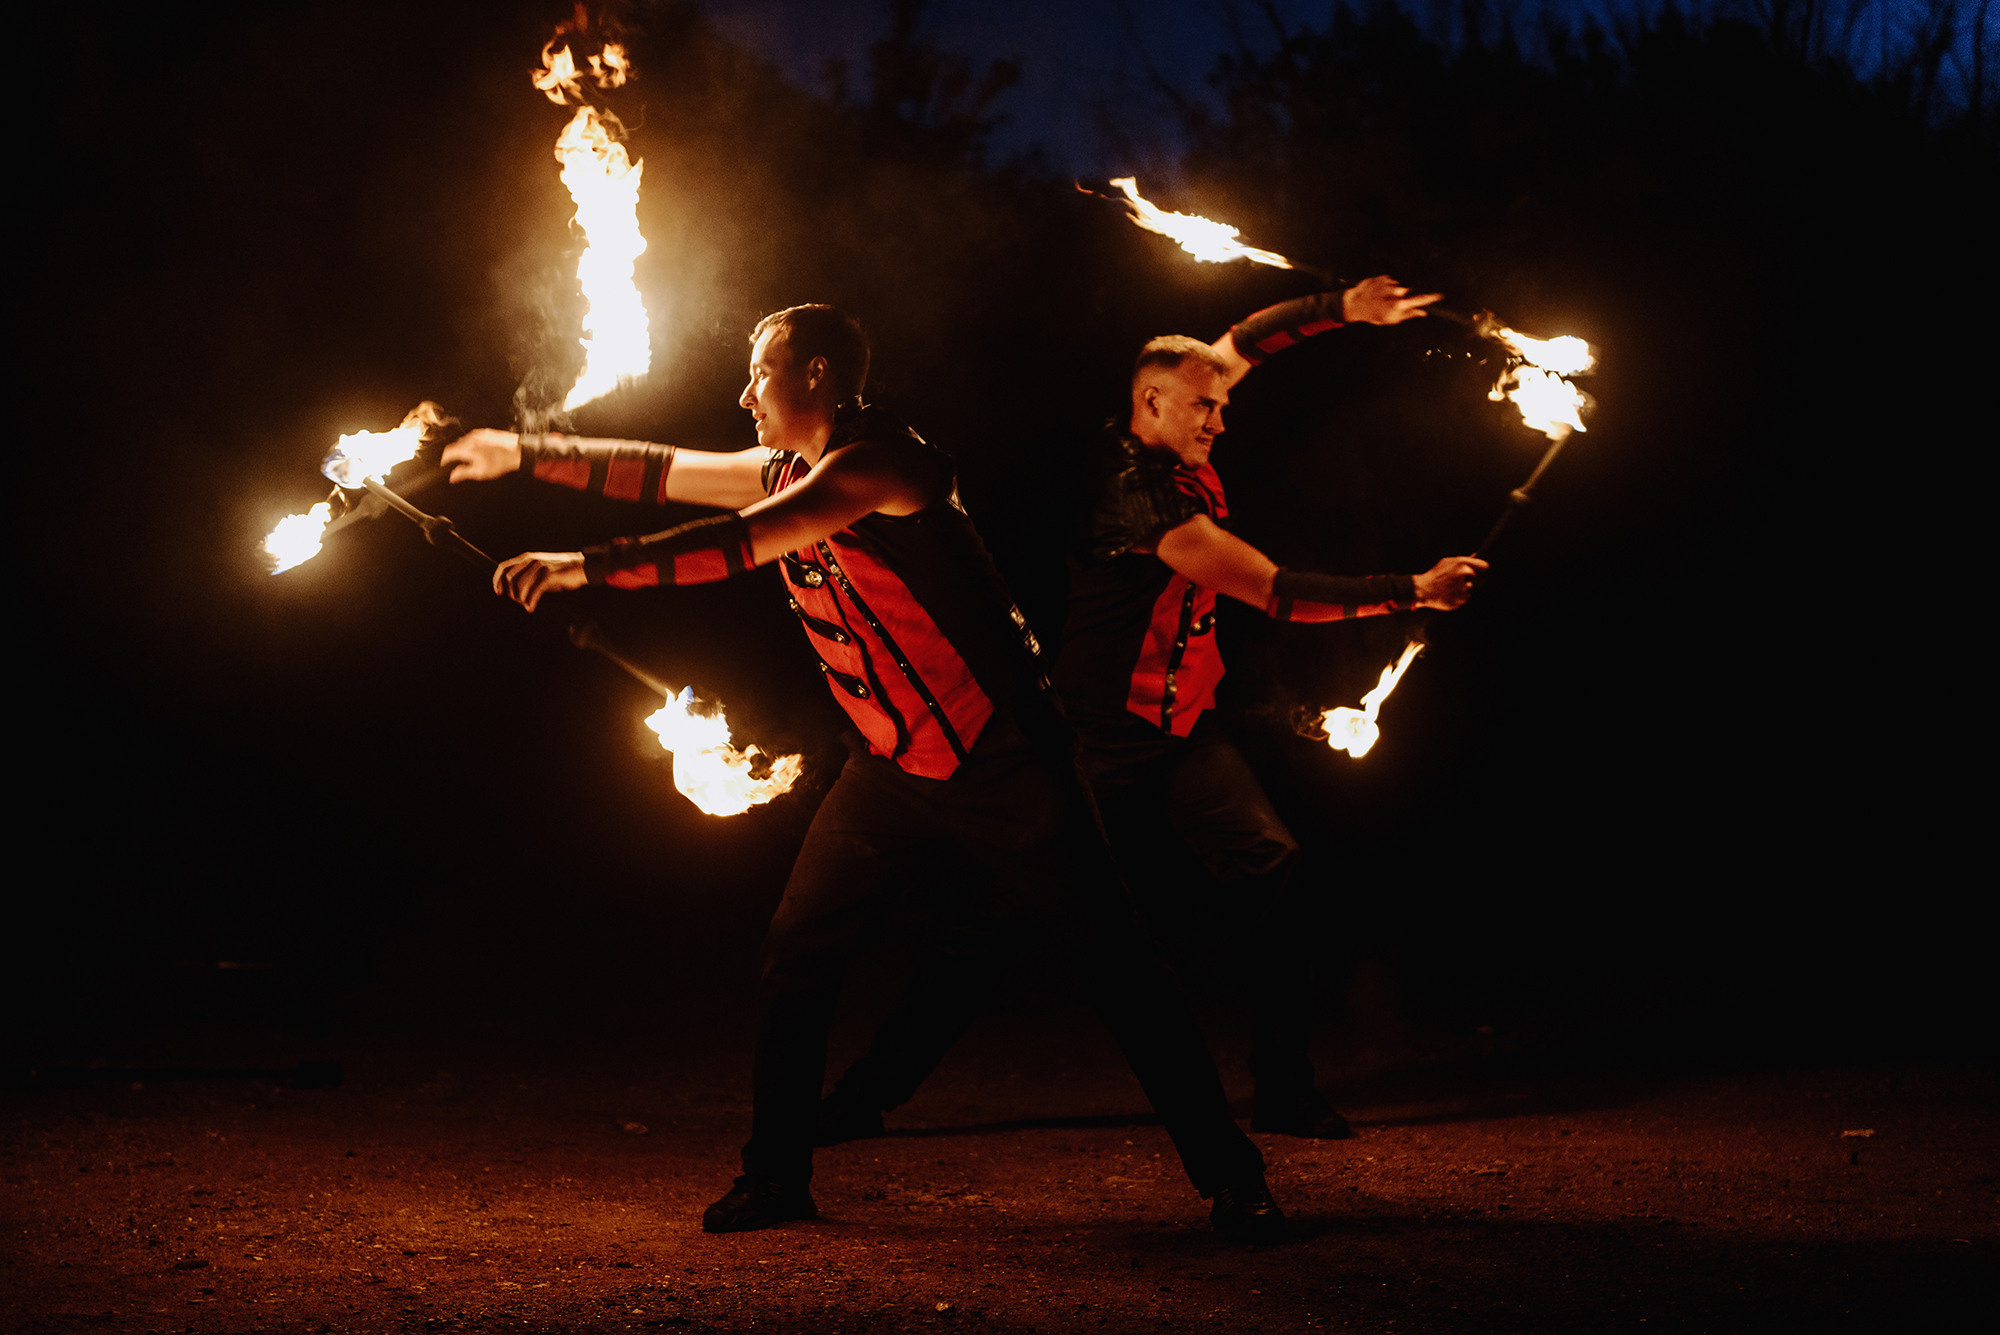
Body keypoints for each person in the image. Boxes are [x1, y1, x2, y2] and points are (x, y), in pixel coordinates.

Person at [440, 305, 1283, 1240]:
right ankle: (775, 1177)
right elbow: (659, 470)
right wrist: (522, 453)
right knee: (796, 953)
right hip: (886, 767)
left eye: (759, 373)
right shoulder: (788, 467)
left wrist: (586, 568)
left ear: (816, 374)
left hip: (1002, 757)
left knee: (1121, 966)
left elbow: (754, 538)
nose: (743, 393)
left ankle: (1234, 1179)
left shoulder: (887, 463)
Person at [815, 278, 1486, 1144]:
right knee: (995, 922)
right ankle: (864, 1096)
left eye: (1219, 404)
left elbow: (1240, 343)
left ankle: (1284, 1089)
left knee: (1272, 868)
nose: (1220, 418)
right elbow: (1273, 592)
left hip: (1182, 731)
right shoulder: (1140, 496)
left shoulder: (1175, 417)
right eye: (1205, 408)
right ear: (1153, 403)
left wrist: (1342, 309)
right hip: (1096, 740)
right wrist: (1414, 592)